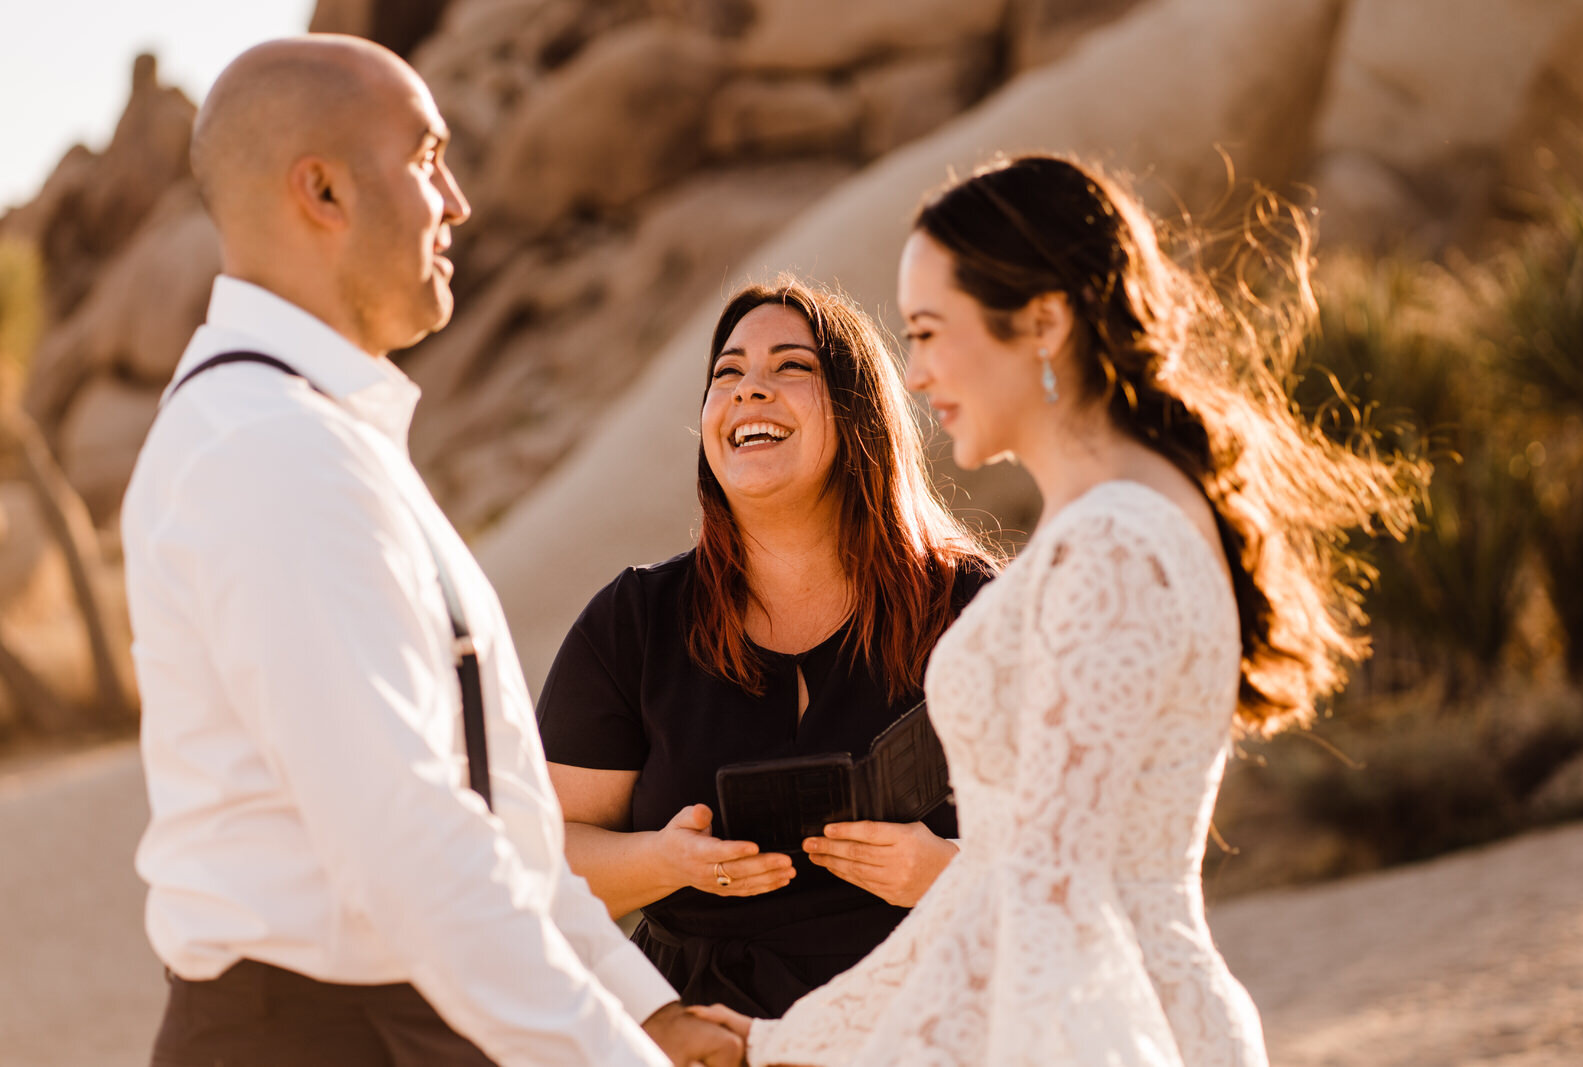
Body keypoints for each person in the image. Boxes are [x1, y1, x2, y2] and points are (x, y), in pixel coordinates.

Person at [692, 156, 1423, 1064]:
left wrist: (814, 1048)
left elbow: (1040, 890)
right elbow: (1006, 876)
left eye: (928, 331)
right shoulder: (1116, 520)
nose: (913, 374)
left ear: (1042, 323)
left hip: (1091, 1026)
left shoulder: (1113, 545)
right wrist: (778, 1039)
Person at [124, 35, 739, 1067]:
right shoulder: (273, 452)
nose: (456, 201)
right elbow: (411, 843)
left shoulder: (317, 435)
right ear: (321, 190)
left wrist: (640, 1007)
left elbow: (491, 818)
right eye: (424, 159)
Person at [535, 280, 996, 1019]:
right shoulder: (633, 622)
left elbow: (1076, 857)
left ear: (859, 414)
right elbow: (539, 854)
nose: (750, 390)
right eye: (727, 372)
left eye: (790, 367)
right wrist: (661, 862)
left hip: (924, 1024)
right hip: (700, 1034)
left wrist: (941, 873)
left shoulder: (971, 611)